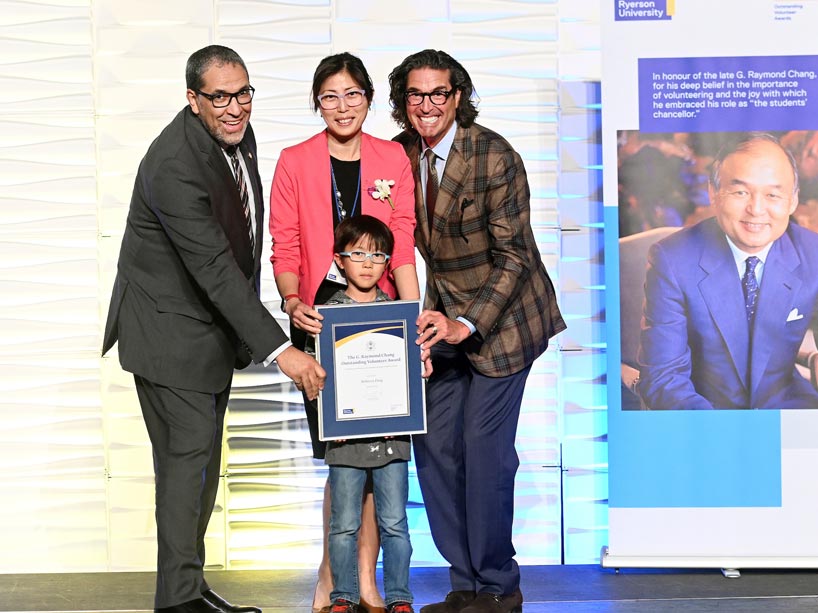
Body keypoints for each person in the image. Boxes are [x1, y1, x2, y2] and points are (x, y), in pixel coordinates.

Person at [101, 45, 325, 613]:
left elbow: (240, 234)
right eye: (219, 97)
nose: (234, 108)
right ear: (192, 99)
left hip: (206, 333)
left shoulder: (233, 136)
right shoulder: (173, 163)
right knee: (187, 466)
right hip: (168, 332)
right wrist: (280, 348)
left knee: (198, 470)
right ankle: (177, 603)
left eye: (243, 93)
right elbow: (213, 267)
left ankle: (187, 590)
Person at [387, 49, 566, 613]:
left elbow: (514, 257)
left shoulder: (494, 154)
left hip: (504, 321)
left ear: (457, 96)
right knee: (436, 447)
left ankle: (498, 585)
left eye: (438, 93)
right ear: (403, 103)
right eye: (416, 95)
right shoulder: (398, 156)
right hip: (438, 321)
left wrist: (467, 323)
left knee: (485, 449)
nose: (427, 106)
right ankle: (464, 582)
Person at [269, 52, 420, 613]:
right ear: (317, 102)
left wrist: (412, 324)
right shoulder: (294, 160)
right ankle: (334, 577)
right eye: (330, 96)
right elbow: (284, 241)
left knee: (380, 452)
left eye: (353, 94)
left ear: (369, 99)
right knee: (342, 453)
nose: (342, 106)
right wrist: (291, 300)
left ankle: (366, 578)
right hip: (319, 322)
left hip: (383, 321)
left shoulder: (391, 158)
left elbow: (400, 242)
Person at [637, 132, 818, 410]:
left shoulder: (813, 254)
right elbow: (664, 378)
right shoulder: (672, 260)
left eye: (773, 194)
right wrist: (722, 435)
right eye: (740, 192)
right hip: (703, 413)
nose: (756, 209)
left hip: (788, 406)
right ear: (714, 193)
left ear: (792, 201)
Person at [317, 215, 416, 613]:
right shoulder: (325, 316)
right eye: (357, 253)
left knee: (395, 524)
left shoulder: (398, 314)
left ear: (388, 263)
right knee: (343, 526)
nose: (368, 262)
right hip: (344, 441)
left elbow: (410, 375)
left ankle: (399, 598)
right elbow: (315, 372)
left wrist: (419, 369)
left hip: (392, 438)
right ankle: (343, 596)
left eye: (378, 254)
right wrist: (330, 416)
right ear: (339, 259)